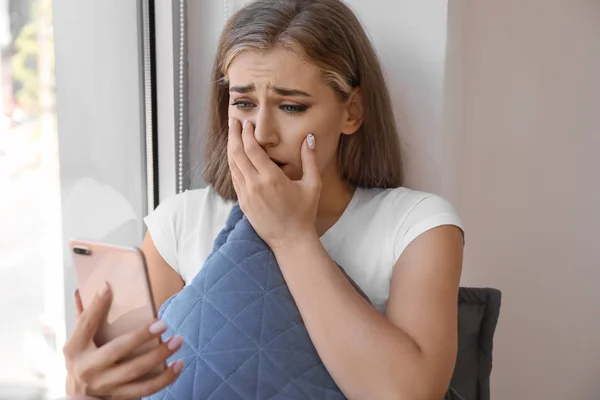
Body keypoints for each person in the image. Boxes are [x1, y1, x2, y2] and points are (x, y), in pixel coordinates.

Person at [62, 0, 464, 398]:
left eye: (291, 106)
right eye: (244, 103)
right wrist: (83, 390)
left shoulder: (417, 225)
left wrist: (292, 237)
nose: (262, 133)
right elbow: (130, 385)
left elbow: (409, 393)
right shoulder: (180, 223)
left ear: (351, 112)